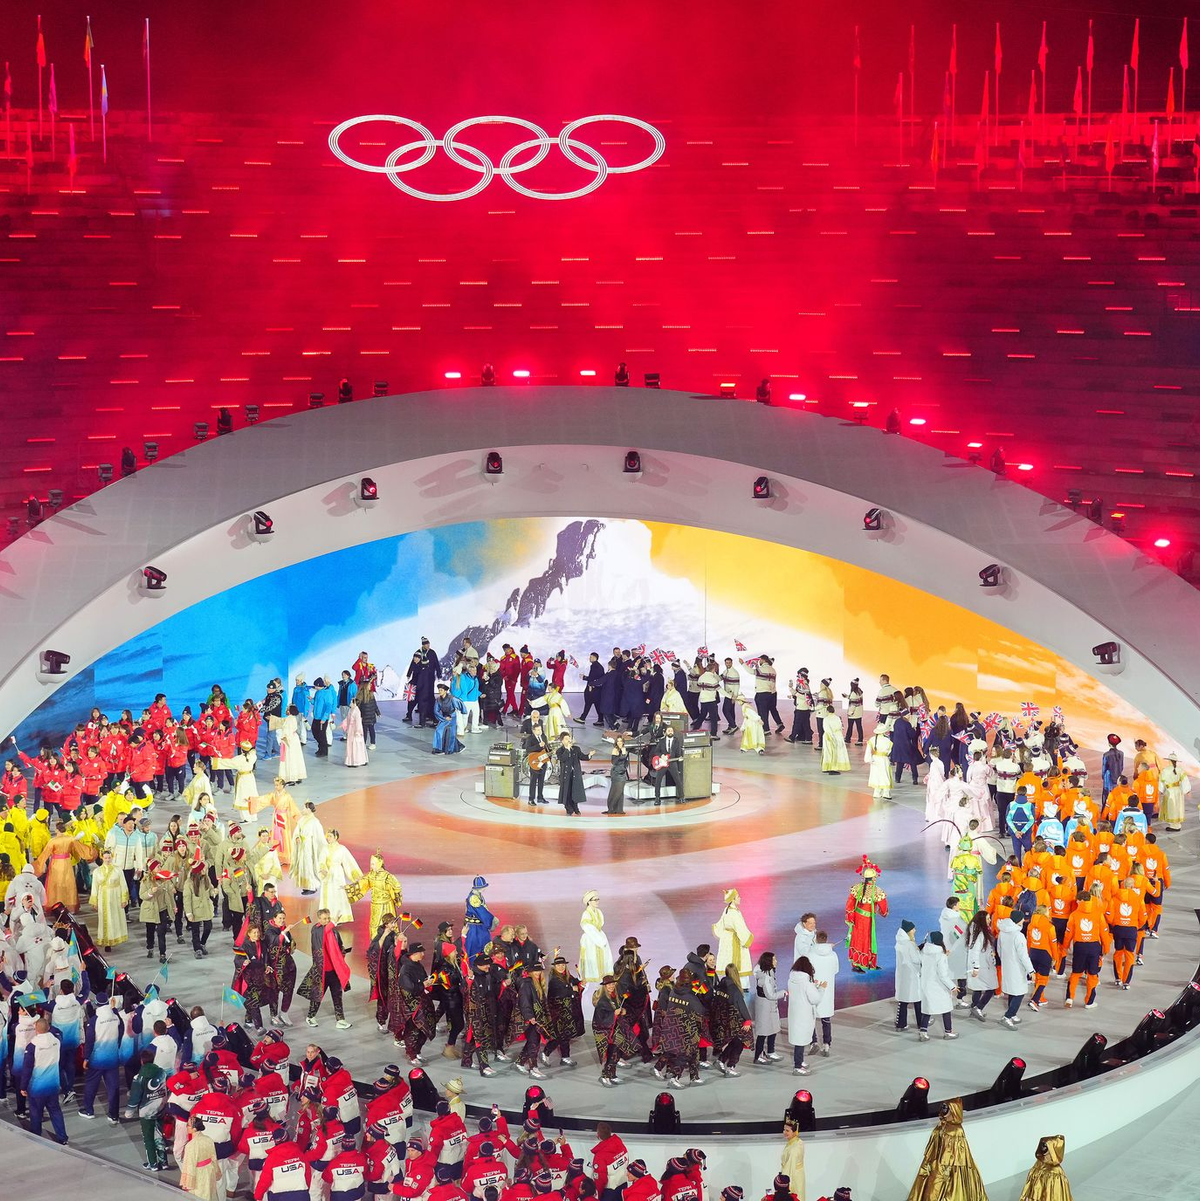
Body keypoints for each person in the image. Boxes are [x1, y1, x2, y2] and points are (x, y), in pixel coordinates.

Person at [905, 1099, 985, 1201]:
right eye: (943, 1107)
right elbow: (933, 1148)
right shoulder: (940, 1127)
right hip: (936, 1164)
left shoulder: (957, 1131)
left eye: (946, 1108)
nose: (943, 1110)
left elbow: (956, 1155)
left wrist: (945, 1170)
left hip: (948, 1167)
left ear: (953, 1110)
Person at [299, 909, 353, 1029]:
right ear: (319, 919)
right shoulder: (316, 929)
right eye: (324, 918)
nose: (327, 920)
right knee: (318, 996)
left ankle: (341, 1020)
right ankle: (310, 1016)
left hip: (334, 971)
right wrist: (334, 922)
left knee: (337, 996)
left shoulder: (334, 932)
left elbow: (339, 946)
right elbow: (324, 931)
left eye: (328, 918)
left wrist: (343, 953)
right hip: (321, 971)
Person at [21, 1015, 68, 1144]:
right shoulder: (56, 1041)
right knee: (55, 1111)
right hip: (53, 1085)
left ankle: (36, 1137)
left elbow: (27, 1069)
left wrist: (23, 1087)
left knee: (36, 1112)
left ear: (36, 1029)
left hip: (37, 1087)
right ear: (48, 1027)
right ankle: (63, 1138)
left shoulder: (32, 1047)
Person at [844, 856, 888, 971]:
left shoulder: (857, 887)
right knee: (867, 940)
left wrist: (851, 917)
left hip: (858, 918)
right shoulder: (877, 890)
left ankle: (859, 963)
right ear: (873, 878)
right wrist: (883, 913)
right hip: (867, 920)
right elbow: (883, 906)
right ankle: (866, 962)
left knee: (858, 939)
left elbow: (850, 903)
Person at [710, 963, 753, 1076]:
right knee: (739, 1042)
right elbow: (741, 1005)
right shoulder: (734, 989)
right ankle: (730, 1066)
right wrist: (747, 1020)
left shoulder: (720, 986)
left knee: (735, 1041)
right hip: (735, 1020)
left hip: (724, 1020)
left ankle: (722, 1060)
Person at [785, 956, 823, 1076]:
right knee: (800, 1041)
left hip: (795, 1013)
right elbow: (815, 999)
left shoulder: (791, 979)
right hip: (804, 1014)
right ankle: (797, 1066)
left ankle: (800, 1061)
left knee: (798, 1039)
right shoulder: (806, 982)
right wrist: (821, 989)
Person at [916, 932, 957, 1041]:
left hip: (926, 985)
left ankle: (923, 1032)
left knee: (927, 1009)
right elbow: (943, 975)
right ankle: (948, 1032)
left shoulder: (923, 952)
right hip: (939, 986)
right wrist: (952, 986)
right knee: (946, 1009)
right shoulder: (940, 955)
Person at [997, 910, 1035, 1026]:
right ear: (1018, 920)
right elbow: (1024, 956)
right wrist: (1031, 970)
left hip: (1007, 965)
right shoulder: (1018, 936)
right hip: (1017, 968)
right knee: (1019, 992)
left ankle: (1012, 1014)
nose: (1024, 920)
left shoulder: (1002, 932)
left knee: (1012, 991)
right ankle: (1007, 1016)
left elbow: (999, 949)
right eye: (1022, 919)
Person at [318, 830, 362, 927]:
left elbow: (349, 862)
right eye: (327, 836)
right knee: (329, 894)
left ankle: (340, 916)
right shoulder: (325, 848)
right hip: (328, 875)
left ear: (335, 837)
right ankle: (327, 917)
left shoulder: (342, 849)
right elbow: (321, 860)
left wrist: (355, 876)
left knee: (338, 894)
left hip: (337, 874)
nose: (328, 838)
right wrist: (323, 869)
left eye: (330, 836)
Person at [712, 887, 754, 985]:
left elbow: (720, 924)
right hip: (734, 941)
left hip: (727, 939)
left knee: (728, 959)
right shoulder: (734, 913)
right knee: (739, 964)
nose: (740, 898)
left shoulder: (726, 910)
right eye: (738, 897)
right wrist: (747, 938)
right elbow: (740, 928)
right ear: (733, 899)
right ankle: (740, 986)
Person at [92, 846, 130, 950]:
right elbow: (94, 887)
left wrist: (124, 899)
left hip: (115, 896)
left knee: (114, 917)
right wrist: (94, 901)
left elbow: (123, 884)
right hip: (103, 896)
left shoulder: (118, 870)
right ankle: (106, 942)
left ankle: (115, 937)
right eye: (105, 858)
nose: (107, 860)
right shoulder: (97, 872)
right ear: (102, 858)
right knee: (104, 918)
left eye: (109, 858)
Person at [965, 910, 999, 1021]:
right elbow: (974, 951)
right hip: (982, 965)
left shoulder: (975, 931)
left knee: (978, 987)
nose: (990, 920)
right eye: (988, 918)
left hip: (982, 964)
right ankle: (978, 1008)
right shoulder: (980, 934)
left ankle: (974, 1009)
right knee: (991, 987)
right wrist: (976, 967)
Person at [1018, 1134, 1074, 1201]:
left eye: (1045, 1145)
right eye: (1041, 1145)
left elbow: (1055, 1196)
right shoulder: (1038, 1165)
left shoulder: (1056, 1173)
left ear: (1052, 1149)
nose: (1042, 1148)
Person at [752, 951, 785, 1064]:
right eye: (774, 959)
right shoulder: (766, 977)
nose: (776, 961)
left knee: (772, 1029)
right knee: (763, 1032)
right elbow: (770, 995)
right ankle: (758, 1055)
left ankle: (771, 1051)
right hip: (765, 1008)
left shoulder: (769, 973)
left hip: (769, 1007)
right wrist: (783, 993)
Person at [810, 931, 839, 1056]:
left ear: (816, 939)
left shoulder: (810, 954)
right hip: (827, 989)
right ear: (826, 939)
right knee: (826, 1018)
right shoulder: (833, 955)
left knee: (810, 1016)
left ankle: (813, 1042)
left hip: (813, 988)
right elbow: (836, 970)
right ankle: (827, 1044)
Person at [579, 890, 614, 984]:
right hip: (590, 939)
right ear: (589, 902)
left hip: (599, 935)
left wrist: (600, 938)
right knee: (592, 958)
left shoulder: (599, 912)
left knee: (604, 957)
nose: (597, 901)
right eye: (595, 900)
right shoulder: (586, 914)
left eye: (598, 899)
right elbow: (587, 927)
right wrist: (599, 940)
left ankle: (604, 978)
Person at [893, 920, 923, 1030]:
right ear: (909, 931)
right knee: (918, 1000)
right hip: (912, 975)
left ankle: (901, 1024)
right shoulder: (909, 944)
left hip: (902, 975)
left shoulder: (900, 942)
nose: (915, 930)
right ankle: (922, 1023)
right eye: (913, 929)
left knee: (903, 1000)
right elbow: (916, 959)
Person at [557, 732, 594, 816]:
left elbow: (583, 757)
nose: (568, 740)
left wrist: (589, 755)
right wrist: (567, 749)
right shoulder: (560, 751)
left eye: (569, 738)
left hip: (575, 774)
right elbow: (563, 759)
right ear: (562, 741)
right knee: (567, 792)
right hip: (566, 775)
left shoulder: (576, 749)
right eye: (566, 739)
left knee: (575, 791)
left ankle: (576, 808)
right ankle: (568, 809)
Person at [432, 684, 465, 755]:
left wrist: (463, 711)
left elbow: (460, 703)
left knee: (451, 733)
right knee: (439, 730)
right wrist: (443, 718)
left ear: (445, 691)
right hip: (444, 717)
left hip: (452, 716)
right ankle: (439, 748)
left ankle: (450, 749)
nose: (440, 691)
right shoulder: (438, 700)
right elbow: (436, 711)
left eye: (441, 690)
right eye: (439, 690)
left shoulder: (452, 698)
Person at [820, 705, 850, 774]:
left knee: (829, 752)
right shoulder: (838, 718)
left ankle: (829, 767)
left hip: (829, 737)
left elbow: (827, 729)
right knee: (836, 752)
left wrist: (831, 737)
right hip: (838, 736)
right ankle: (832, 767)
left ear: (827, 711)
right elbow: (841, 727)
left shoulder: (826, 719)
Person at [780, 1119, 805, 1201]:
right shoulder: (797, 1142)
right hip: (797, 1174)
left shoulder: (794, 1148)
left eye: (787, 1130)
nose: (784, 1132)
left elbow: (789, 1167)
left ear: (794, 1132)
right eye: (784, 1129)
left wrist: (783, 1183)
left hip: (793, 1175)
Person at [341, 697, 369, 768]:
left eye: (351, 702)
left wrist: (358, 731)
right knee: (350, 746)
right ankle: (351, 761)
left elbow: (358, 722)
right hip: (351, 730)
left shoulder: (357, 711)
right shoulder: (350, 710)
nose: (350, 703)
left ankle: (358, 761)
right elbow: (347, 719)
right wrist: (343, 725)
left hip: (355, 731)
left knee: (356, 746)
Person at [606, 735, 629, 814]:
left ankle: (619, 809)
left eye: (621, 741)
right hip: (616, 772)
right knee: (616, 791)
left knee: (620, 791)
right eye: (618, 741)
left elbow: (626, 761)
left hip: (622, 772)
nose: (619, 743)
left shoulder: (625, 749)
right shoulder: (615, 750)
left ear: (623, 742)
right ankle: (611, 808)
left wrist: (625, 767)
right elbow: (614, 762)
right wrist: (622, 755)